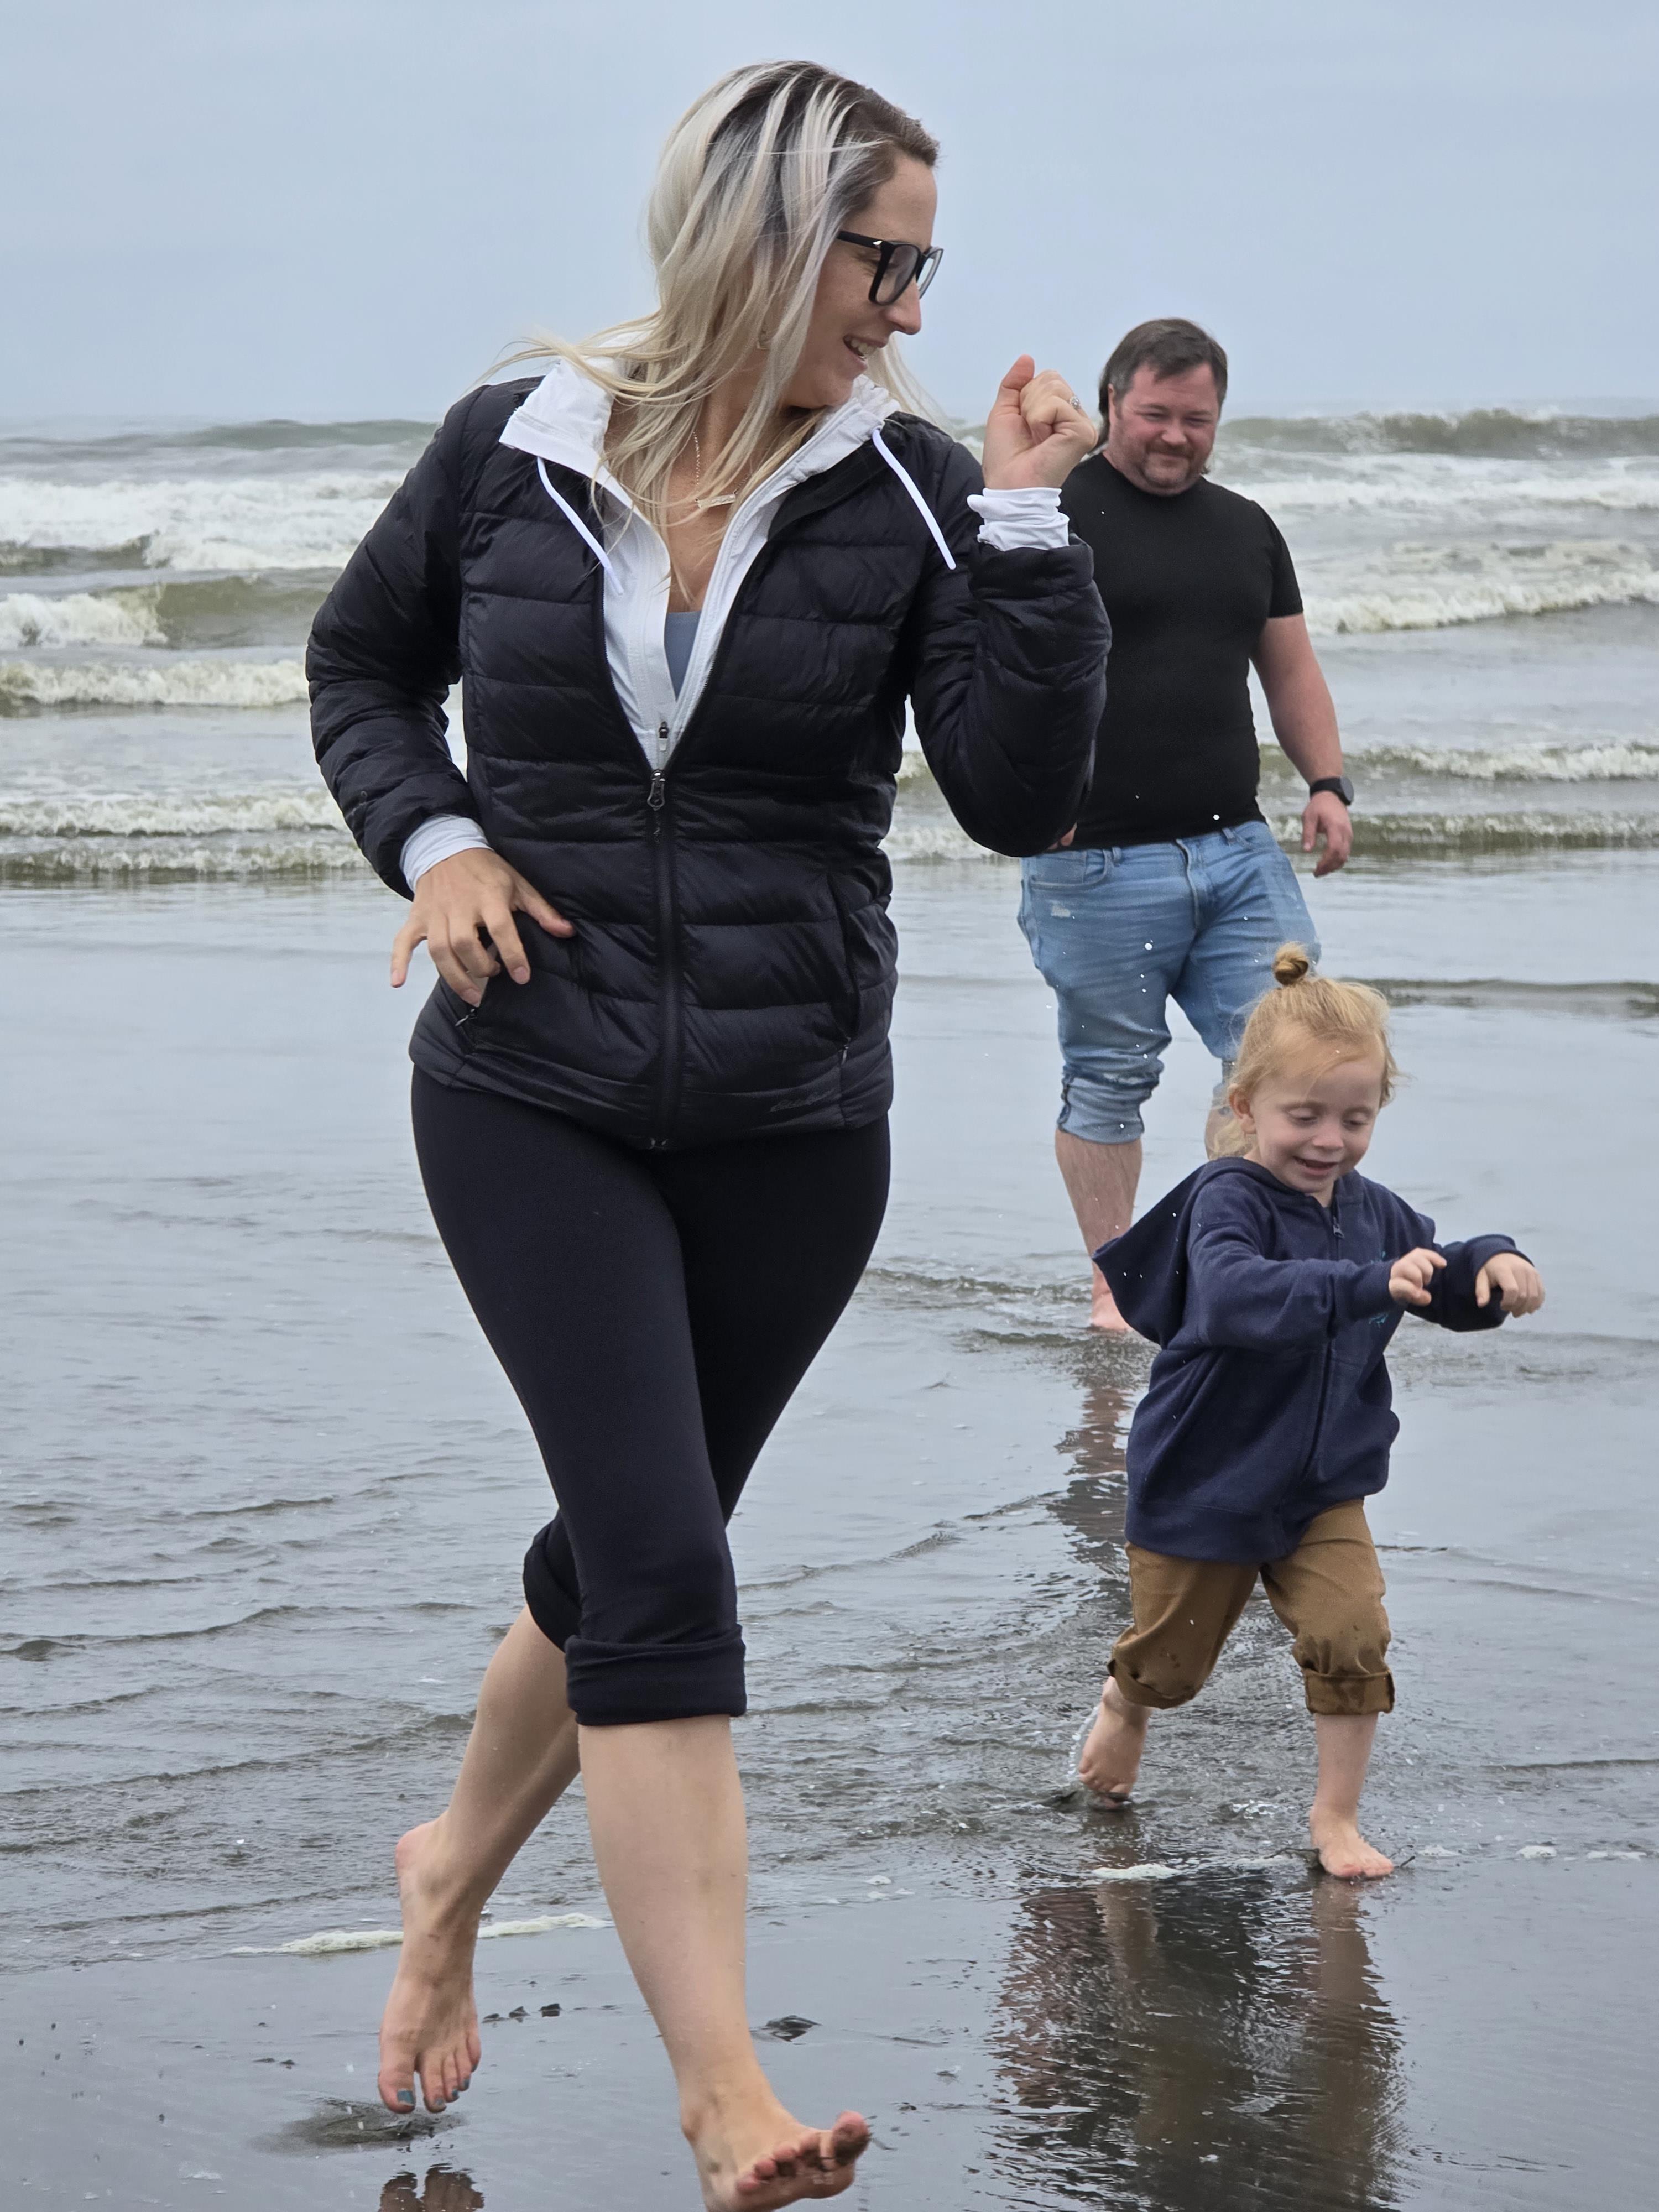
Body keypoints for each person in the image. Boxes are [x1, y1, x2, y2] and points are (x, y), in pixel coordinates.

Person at [307, 60, 1107, 2211]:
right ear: (765, 231)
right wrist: (439, 839)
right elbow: (361, 668)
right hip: (527, 1082)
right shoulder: (516, 444)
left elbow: (1021, 795)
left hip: (790, 1114)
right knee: (667, 1567)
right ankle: (723, 2095)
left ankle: (448, 1871)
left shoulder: (926, 490)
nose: (914, 303)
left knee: (618, 1552)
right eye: (887, 256)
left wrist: (1035, 525)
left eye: (927, 259)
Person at [1076, 947, 1543, 1877]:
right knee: (1173, 1669)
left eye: (1355, 1119)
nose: (1330, 1141)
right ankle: (1126, 1704)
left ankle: (1335, 1820)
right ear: (1245, 1107)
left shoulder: (1372, 1211)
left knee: (1353, 1635)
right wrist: (1370, 1283)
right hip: (1206, 1480)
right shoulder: (1226, 1200)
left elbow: (1433, 1270)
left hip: (1323, 1488)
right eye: (1305, 1117)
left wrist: (1491, 1264)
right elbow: (1238, 1297)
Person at [1021, 316, 1356, 1331]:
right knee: (1110, 1080)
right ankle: (1115, 1285)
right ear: (1114, 404)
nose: (1175, 436)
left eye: (1196, 420)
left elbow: (1289, 669)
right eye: (1156, 415)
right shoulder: (1053, 512)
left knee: (1281, 1058)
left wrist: (1329, 782)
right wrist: (1024, 802)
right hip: (1096, 865)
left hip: (1240, 850)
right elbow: (983, 665)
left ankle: (1225, 1261)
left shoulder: (1247, 526)